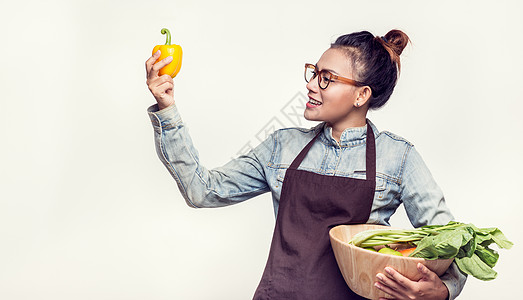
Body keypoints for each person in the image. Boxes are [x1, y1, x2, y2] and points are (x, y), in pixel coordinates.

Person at [145, 29, 467, 300]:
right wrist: (167, 107)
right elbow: (203, 190)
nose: (311, 84)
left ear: (361, 95)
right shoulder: (282, 146)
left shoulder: (398, 158)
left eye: (326, 78)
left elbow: (451, 239)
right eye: (314, 72)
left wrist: (443, 290)